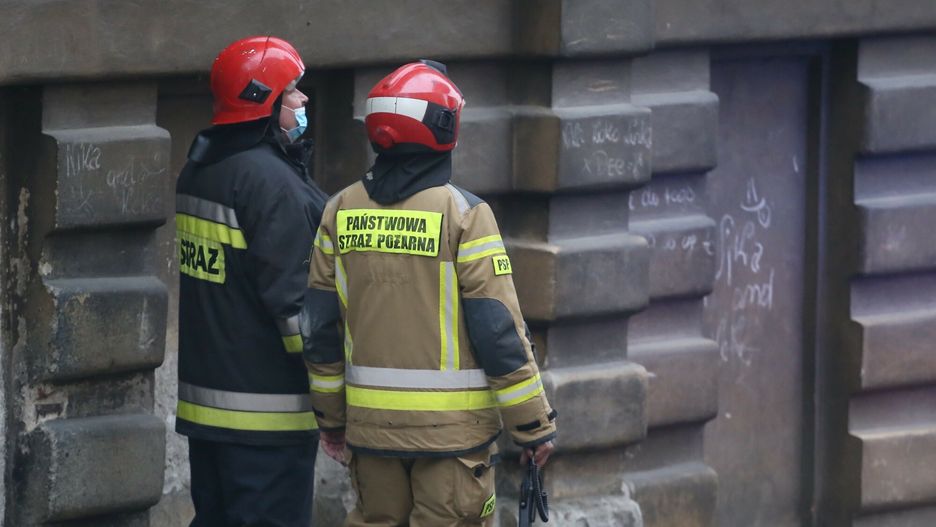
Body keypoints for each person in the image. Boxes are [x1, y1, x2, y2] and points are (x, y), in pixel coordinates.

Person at [301, 60, 557, 526]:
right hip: (451, 443)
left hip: (370, 435)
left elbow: (318, 329)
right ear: (445, 127)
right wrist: (533, 427)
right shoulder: (464, 215)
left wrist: (332, 421)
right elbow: (498, 329)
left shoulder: (338, 210)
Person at [175, 36, 328, 527]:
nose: (303, 101)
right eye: (292, 94)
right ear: (264, 102)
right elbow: (294, 309)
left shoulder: (202, 170)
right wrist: (334, 394)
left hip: (209, 408)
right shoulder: (271, 184)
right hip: (268, 418)